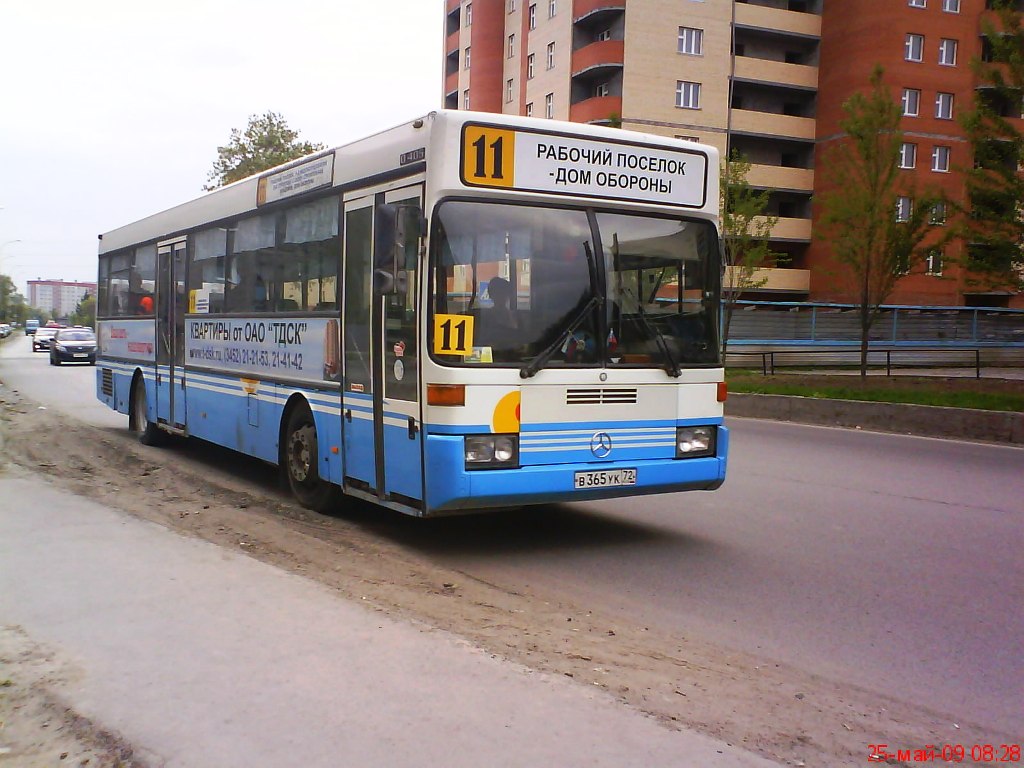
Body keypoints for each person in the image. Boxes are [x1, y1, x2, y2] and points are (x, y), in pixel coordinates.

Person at [478, 276, 519, 348]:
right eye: (497, 293)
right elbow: (482, 341)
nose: (501, 296)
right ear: (491, 295)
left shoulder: (516, 317)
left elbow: (521, 340)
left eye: (503, 293)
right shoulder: (484, 317)